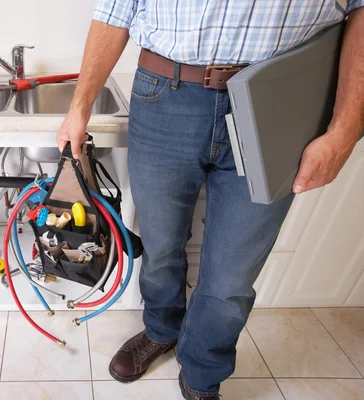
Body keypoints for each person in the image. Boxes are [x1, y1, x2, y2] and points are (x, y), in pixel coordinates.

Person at [56, 1, 364, 398]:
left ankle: (202, 370)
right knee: (160, 244)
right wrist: (79, 109)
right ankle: (162, 330)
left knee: (233, 274)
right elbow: (116, 11)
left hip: (279, 103)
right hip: (164, 96)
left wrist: (344, 130)